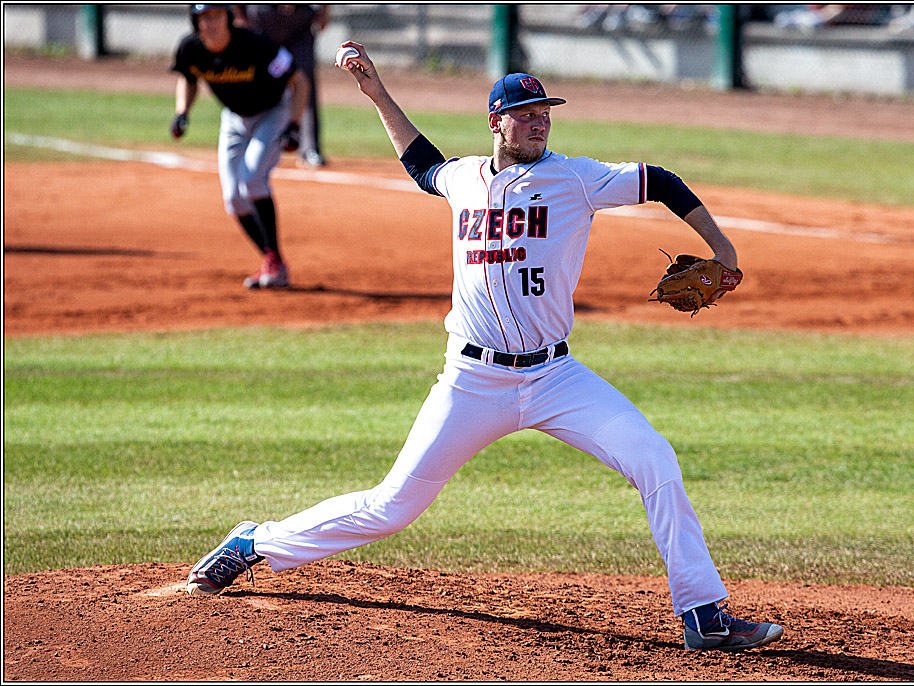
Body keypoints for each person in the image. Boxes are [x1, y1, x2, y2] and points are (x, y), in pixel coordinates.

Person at [185, 41, 784, 652]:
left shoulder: (574, 178)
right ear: (497, 121)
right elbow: (422, 165)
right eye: (526, 114)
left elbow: (659, 180)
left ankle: (702, 612)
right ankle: (254, 543)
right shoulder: (466, 178)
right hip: (471, 383)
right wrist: (376, 92)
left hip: (557, 378)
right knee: (392, 507)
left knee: (654, 458)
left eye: (545, 112)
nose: (539, 121)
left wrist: (724, 249)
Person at [170, 3, 309, 289]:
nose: (211, 23)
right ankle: (274, 262)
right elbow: (188, 78)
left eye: (216, 15)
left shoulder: (255, 44)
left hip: (272, 113)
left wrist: (294, 126)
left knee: (253, 179)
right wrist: (182, 112)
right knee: (233, 197)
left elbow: (300, 82)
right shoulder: (191, 48)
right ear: (195, 22)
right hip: (234, 119)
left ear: (228, 18)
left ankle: (274, 264)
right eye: (204, 17)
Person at [232, 4, 329, 168]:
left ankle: (309, 149)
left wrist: (325, 10)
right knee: (258, 79)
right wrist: (240, 14)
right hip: (264, 16)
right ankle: (254, 143)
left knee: (304, 79)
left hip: (300, 18)